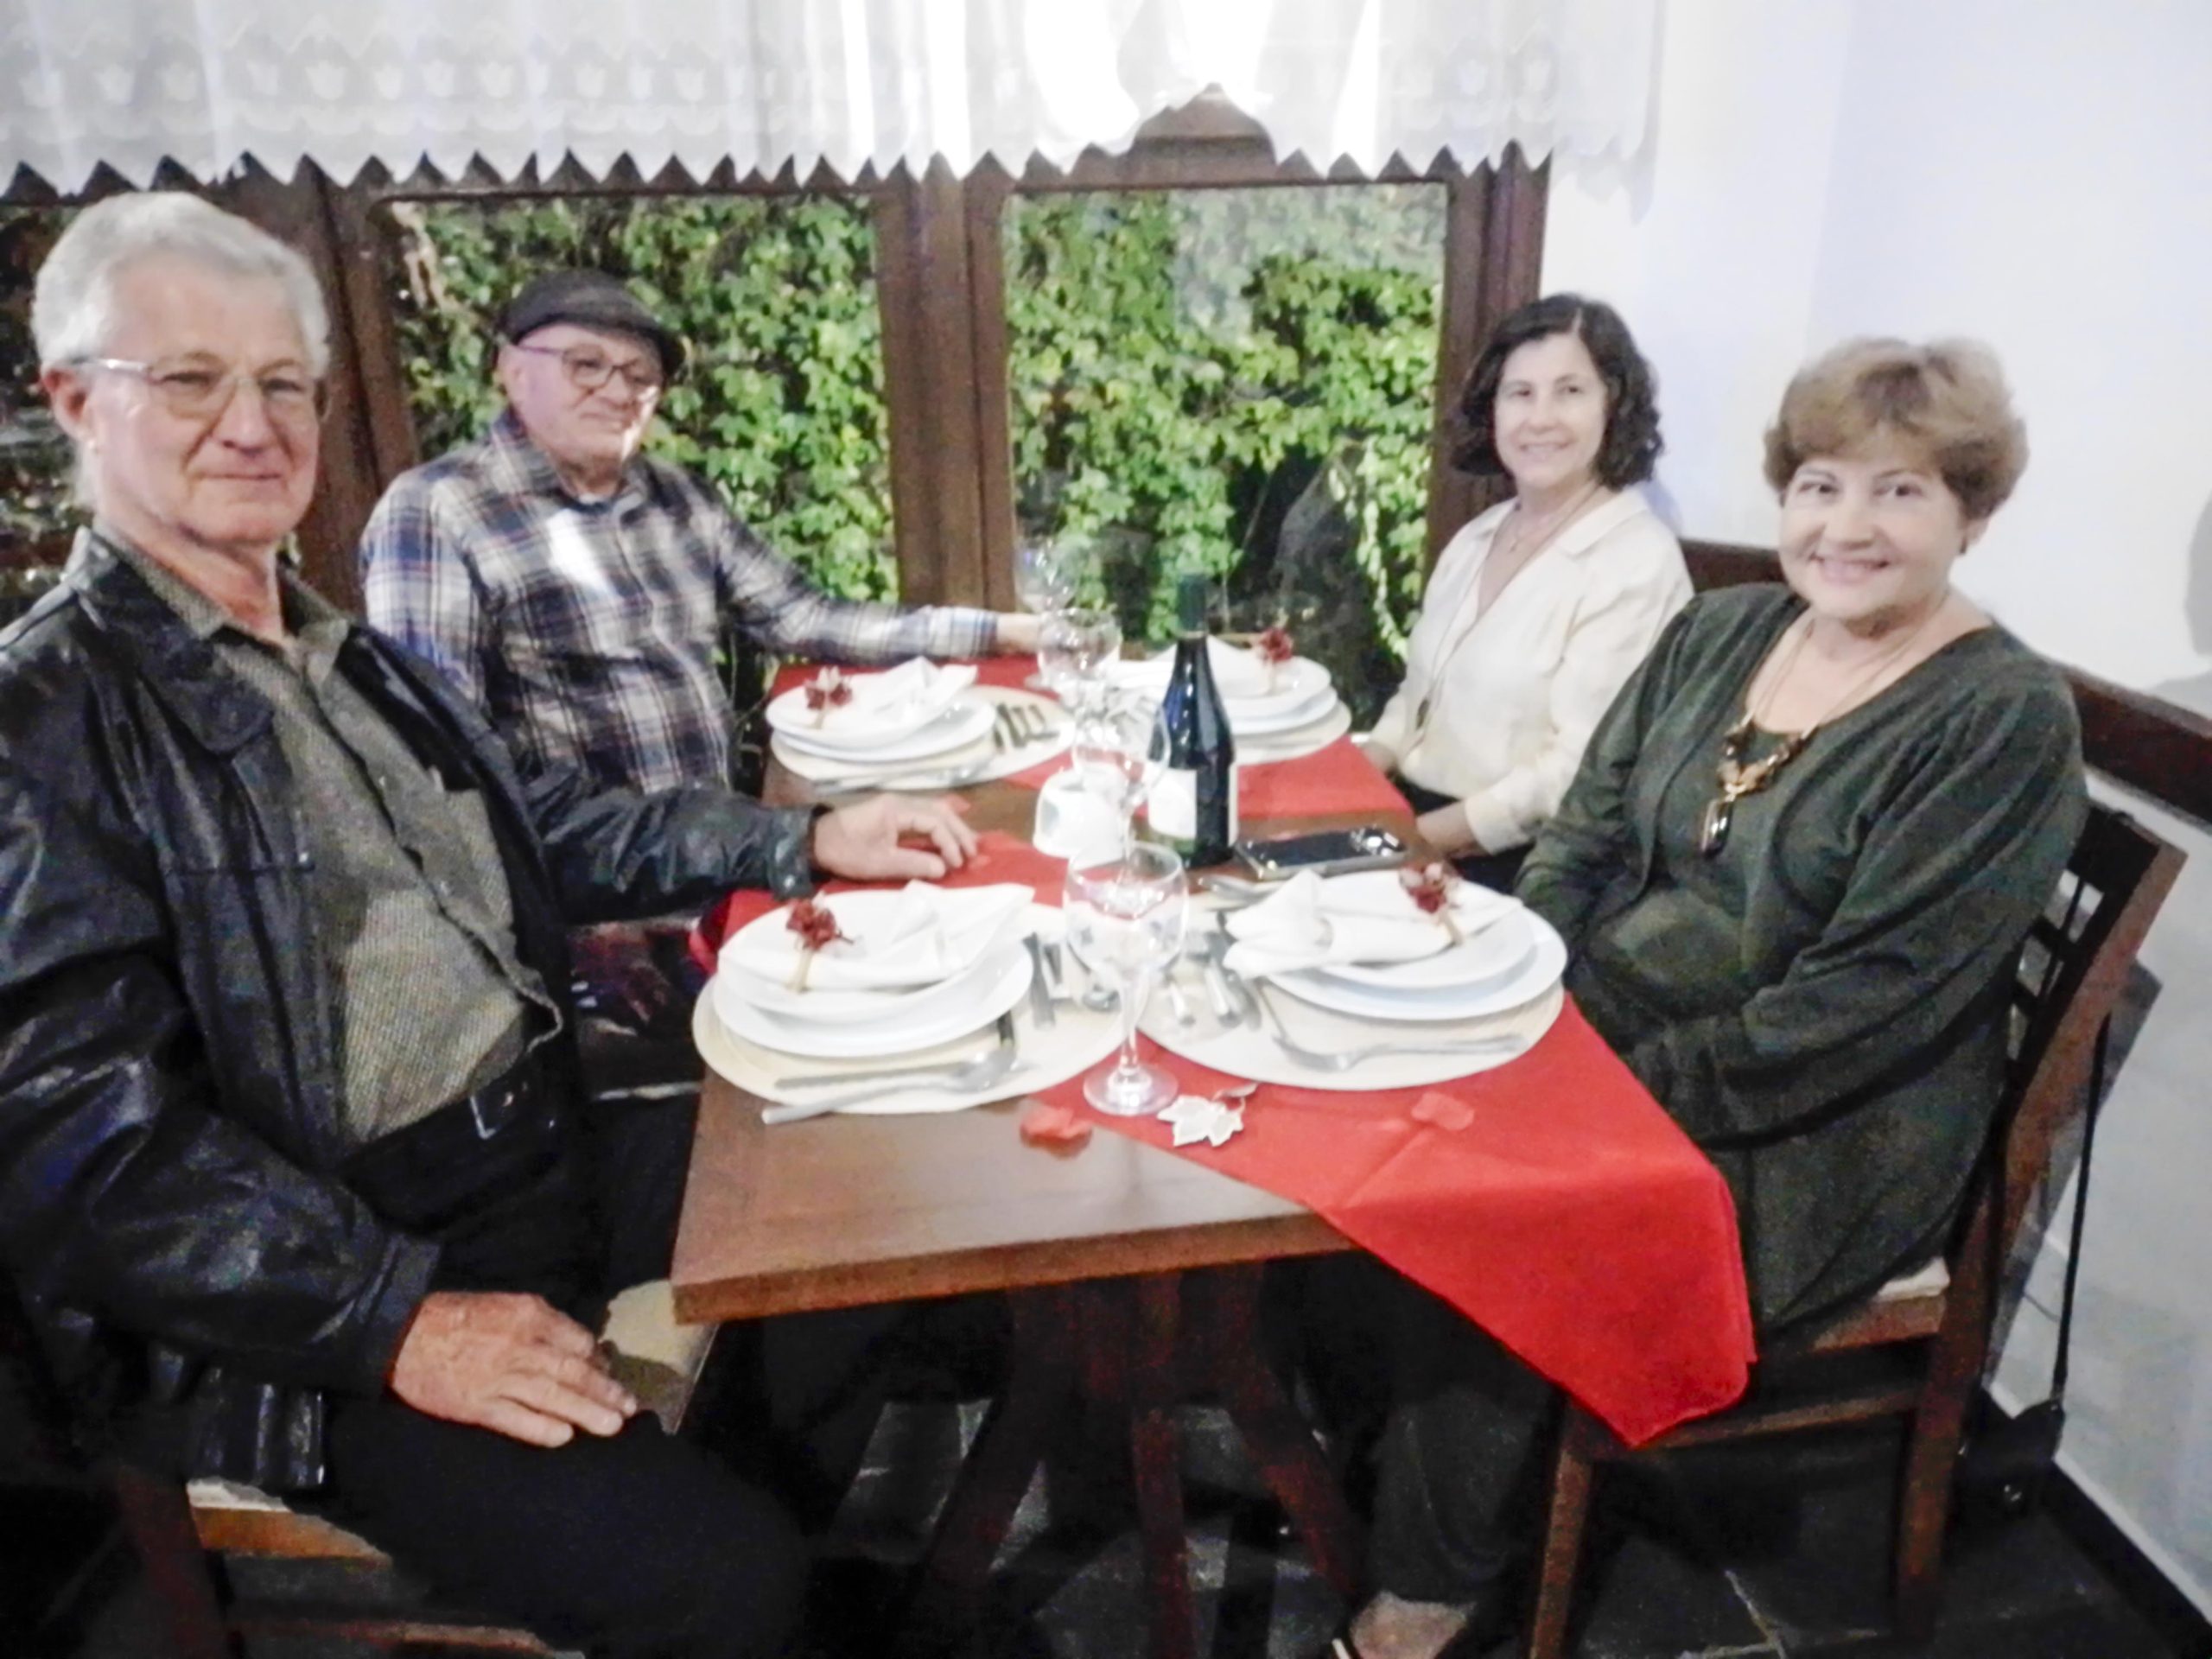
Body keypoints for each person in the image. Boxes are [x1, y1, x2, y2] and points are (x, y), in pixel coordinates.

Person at [0, 193, 984, 1659]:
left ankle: (729, 1533)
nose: (252, 425)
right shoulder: (40, 716)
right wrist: (396, 1316)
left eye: (284, 383)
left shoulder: (343, 657)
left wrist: (804, 839)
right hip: (310, 1286)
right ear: (76, 399)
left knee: (869, 1194)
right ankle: (727, 1578)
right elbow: (79, 1149)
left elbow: (550, 827)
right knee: (727, 1587)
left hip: (539, 1148)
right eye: (191, 379)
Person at [1316, 338, 2087, 1659]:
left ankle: (1421, 1604)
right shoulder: (1723, 630)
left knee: (1506, 1210)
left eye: (1901, 492)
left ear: (1973, 513)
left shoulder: (2002, 720)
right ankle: (1399, 1454)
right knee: (1379, 1094)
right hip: (1617, 1025)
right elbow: (1585, 833)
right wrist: (1522, 991)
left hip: (1827, 1123)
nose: (1847, 526)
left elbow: (1864, 1009)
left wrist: (1591, 1095)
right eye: (1822, 484)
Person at [359, 266, 1043, 797]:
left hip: (717, 852)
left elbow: (802, 617)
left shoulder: (676, 497)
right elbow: (445, 763)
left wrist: (1002, 632)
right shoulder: (436, 511)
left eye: (641, 376)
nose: (619, 392)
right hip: (590, 899)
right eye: (585, 365)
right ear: (511, 370)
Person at [1359, 294, 1689, 889]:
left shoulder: (1638, 561)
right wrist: (1350, 783)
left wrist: (1410, 841)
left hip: (1522, 864)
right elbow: (1416, 701)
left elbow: (1575, 774)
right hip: (1414, 824)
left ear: (1614, 405)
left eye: (1570, 391)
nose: (1540, 418)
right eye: (1520, 393)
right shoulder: (1476, 538)